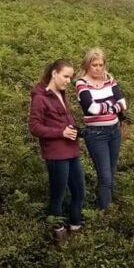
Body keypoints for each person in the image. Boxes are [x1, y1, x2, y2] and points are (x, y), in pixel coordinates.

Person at [29, 59, 85, 242]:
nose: (68, 81)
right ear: (54, 73)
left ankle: (76, 227)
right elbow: (35, 127)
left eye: (70, 77)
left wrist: (75, 130)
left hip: (72, 151)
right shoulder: (40, 98)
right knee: (58, 195)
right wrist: (60, 132)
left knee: (79, 192)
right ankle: (58, 231)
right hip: (56, 154)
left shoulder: (62, 94)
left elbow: (64, 121)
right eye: (65, 76)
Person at [75, 48, 127, 211]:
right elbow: (91, 108)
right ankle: (105, 211)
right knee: (104, 174)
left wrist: (105, 107)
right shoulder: (81, 83)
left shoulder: (109, 80)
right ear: (87, 65)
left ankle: (108, 206)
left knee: (111, 171)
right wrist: (112, 106)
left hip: (114, 131)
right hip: (96, 135)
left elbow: (123, 104)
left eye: (101, 65)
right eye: (94, 65)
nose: (98, 68)